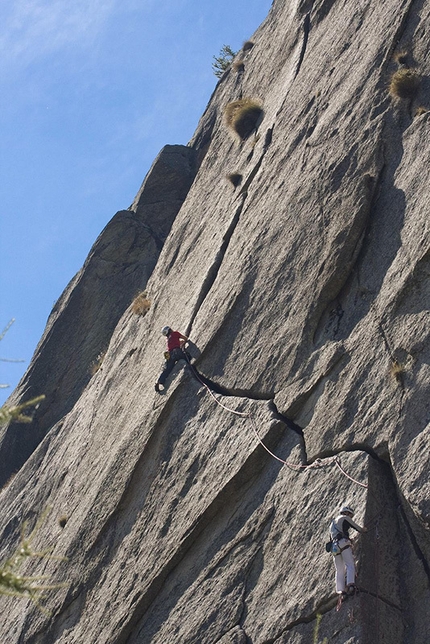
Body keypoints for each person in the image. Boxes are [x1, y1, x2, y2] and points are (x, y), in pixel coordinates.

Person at [330, 505, 367, 598]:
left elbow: (333, 537)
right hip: (343, 543)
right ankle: (350, 585)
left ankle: (341, 591)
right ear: (347, 513)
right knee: (350, 564)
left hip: (334, 547)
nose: (350, 517)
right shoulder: (345, 518)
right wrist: (364, 530)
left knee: (339, 569)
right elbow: (357, 528)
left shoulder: (332, 524)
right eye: (350, 515)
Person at [155, 326, 190, 393]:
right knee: (187, 357)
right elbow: (185, 338)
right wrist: (184, 342)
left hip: (169, 354)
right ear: (170, 330)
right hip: (177, 352)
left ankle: (159, 381)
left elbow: (175, 344)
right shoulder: (175, 333)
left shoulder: (168, 339)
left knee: (167, 369)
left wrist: (180, 343)